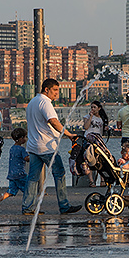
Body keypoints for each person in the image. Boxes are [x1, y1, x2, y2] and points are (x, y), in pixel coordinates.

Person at [21, 79, 82, 216]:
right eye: (55, 90)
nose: (57, 94)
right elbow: (53, 121)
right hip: (47, 147)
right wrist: (69, 134)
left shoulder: (32, 102)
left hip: (33, 146)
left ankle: (27, 207)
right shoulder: (45, 102)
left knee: (33, 178)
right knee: (59, 174)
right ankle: (64, 206)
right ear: (46, 89)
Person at [0, 128, 29, 214]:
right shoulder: (22, 149)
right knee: (29, 189)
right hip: (20, 174)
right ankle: (27, 207)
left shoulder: (12, 148)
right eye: (25, 137)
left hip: (12, 174)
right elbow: (26, 159)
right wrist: (34, 157)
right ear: (20, 139)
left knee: (10, 191)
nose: (26, 139)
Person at [82, 100, 108, 186]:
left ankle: (102, 180)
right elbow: (86, 127)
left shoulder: (102, 118)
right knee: (89, 158)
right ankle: (91, 181)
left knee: (101, 158)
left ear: (99, 108)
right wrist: (90, 117)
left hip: (98, 140)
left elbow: (101, 131)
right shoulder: (87, 117)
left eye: (94, 107)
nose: (92, 109)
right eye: (91, 107)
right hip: (89, 139)